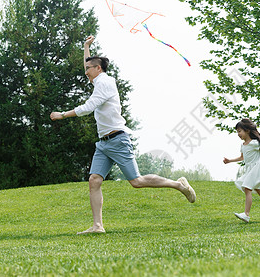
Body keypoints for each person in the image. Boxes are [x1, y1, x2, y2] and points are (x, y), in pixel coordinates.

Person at [50, 35, 196, 234]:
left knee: (136, 181)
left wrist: (63, 115)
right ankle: (97, 226)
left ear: (98, 69)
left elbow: (89, 106)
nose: (85, 72)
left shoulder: (105, 83)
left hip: (118, 139)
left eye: (88, 69)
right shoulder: (99, 81)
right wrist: (85, 47)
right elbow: (88, 64)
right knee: (94, 180)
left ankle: (179, 185)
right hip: (103, 143)